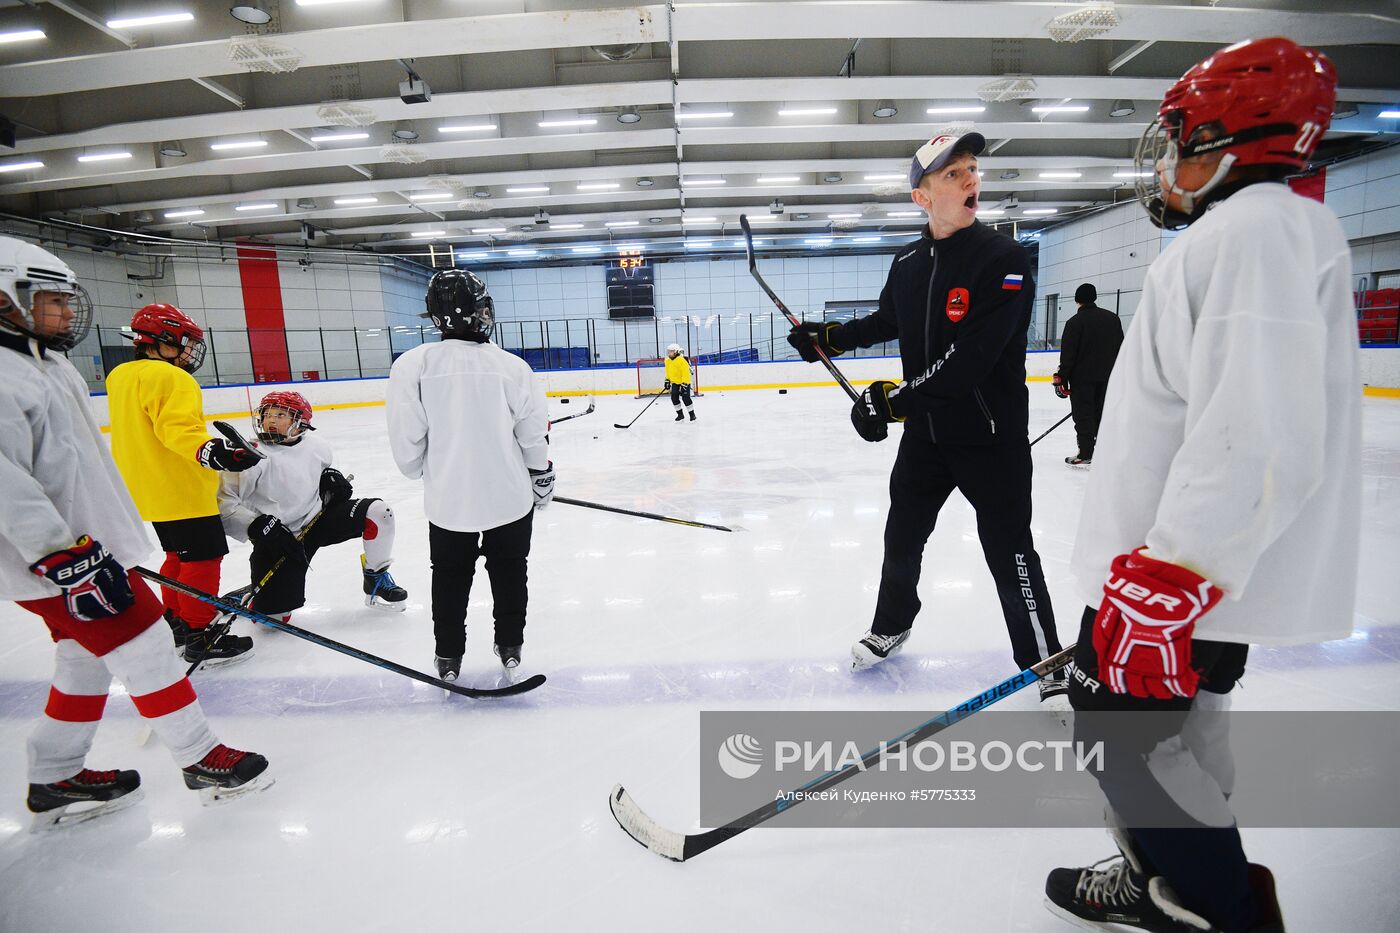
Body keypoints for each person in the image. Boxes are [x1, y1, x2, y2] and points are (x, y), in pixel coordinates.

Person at [1043, 37, 1357, 933]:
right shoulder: (1258, 230)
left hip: (1175, 576)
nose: (1168, 155)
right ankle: (1172, 878)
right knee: (1181, 738)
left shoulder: (1255, 231)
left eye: (1180, 133)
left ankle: (1218, 906)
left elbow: (1256, 429)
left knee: (1127, 739)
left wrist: (1168, 577)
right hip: (1181, 575)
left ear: (1231, 138)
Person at [786, 131, 1066, 711]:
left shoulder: (1004, 260)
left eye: (970, 169)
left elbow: (974, 356)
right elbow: (889, 318)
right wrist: (828, 337)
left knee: (1011, 553)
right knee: (902, 539)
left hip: (991, 440)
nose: (970, 180)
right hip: (928, 440)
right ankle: (893, 623)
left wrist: (895, 399)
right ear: (923, 197)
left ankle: (1046, 659)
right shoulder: (910, 260)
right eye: (952, 174)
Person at [0, 237, 270, 829]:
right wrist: (63, 556)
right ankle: (200, 758)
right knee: (146, 642)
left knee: (85, 659)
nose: (66, 313)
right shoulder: (8, 375)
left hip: (78, 544)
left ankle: (55, 774)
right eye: (49, 301)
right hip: (58, 558)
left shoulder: (50, 364)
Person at [386, 269, 552, 681]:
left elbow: (407, 453)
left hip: (448, 503)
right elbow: (533, 437)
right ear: (482, 310)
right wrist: (542, 475)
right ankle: (510, 643)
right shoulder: (513, 367)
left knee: (449, 577)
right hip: (510, 499)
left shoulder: (413, 365)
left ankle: (448, 655)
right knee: (511, 571)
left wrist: (439, 462)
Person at [106, 304, 262, 669]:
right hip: (180, 488)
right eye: (185, 343)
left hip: (147, 488)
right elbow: (177, 429)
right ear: (160, 340)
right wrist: (211, 451)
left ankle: (175, 622)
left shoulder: (120, 376)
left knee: (178, 557)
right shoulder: (173, 378)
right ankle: (199, 634)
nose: (191, 352)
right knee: (204, 560)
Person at [217, 390, 407, 623]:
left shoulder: (318, 446)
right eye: (267, 414)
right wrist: (254, 525)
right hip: (280, 538)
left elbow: (310, 481)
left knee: (379, 512)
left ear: (301, 422)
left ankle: (376, 577)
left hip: (318, 522)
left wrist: (332, 487)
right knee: (274, 618)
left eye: (280, 414)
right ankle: (252, 593)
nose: (272, 420)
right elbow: (224, 504)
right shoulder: (247, 456)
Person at [1054, 282, 1124, 466]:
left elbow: (1068, 355)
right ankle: (1103, 452)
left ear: (1077, 300)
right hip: (1108, 377)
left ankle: (1086, 453)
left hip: (1082, 380)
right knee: (1102, 414)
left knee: (1083, 415)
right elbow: (1121, 348)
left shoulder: (1074, 323)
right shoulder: (1113, 319)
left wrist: (1061, 378)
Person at [663, 343, 697, 421]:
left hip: (684, 383)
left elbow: (685, 373)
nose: (669, 353)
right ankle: (680, 415)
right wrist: (667, 380)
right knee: (674, 397)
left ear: (676, 352)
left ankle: (692, 415)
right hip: (675, 383)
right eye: (668, 351)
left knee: (686, 398)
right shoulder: (667, 361)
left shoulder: (682, 360)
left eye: (671, 351)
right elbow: (668, 371)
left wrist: (685, 383)